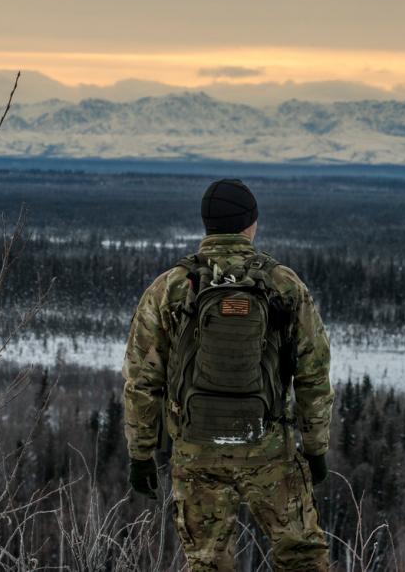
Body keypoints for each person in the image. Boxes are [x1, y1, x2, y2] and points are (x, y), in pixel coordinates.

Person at [122, 178, 334, 571]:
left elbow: (142, 381)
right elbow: (313, 372)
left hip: (196, 448)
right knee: (301, 554)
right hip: (269, 447)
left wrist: (141, 454)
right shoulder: (282, 284)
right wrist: (316, 447)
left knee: (207, 561)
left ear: (207, 225)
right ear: (250, 224)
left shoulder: (168, 288)